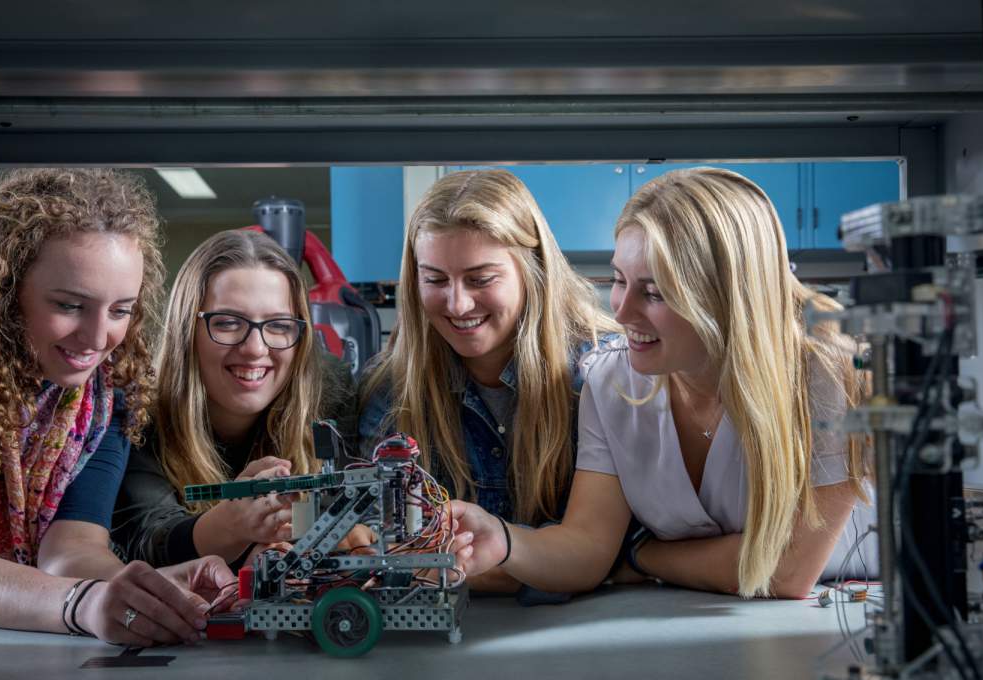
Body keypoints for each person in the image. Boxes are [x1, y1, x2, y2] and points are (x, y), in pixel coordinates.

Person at [450, 167, 873, 599]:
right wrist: (504, 541)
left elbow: (786, 572)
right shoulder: (611, 380)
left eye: (654, 293)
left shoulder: (825, 372)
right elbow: (587, 548)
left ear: (725, 298)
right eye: (618, 280)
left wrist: (643, 557)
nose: (620, 312)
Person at [0, 168, 237, 648]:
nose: (97, 340)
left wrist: (149, 590)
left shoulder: (107, 401)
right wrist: (84, 603)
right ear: (2, 294)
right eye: (70, 305)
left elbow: (72, 549)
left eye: (120, 311)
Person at [359, 169, 617, 593]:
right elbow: (379, 556)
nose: (458, 304)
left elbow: (616, 551)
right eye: (436, 279)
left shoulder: (601, 373)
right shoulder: (388, 391)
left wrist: (443, 570)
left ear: (532, 271)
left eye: (481, 279)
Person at [112, 228, 358, 569]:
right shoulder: (136, 409)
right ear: (187, 330)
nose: (255, 349)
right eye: (227, 323)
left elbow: (349, 514)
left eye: (278, 325)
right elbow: (146, 539)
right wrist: (234, 526)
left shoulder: (330, 389)